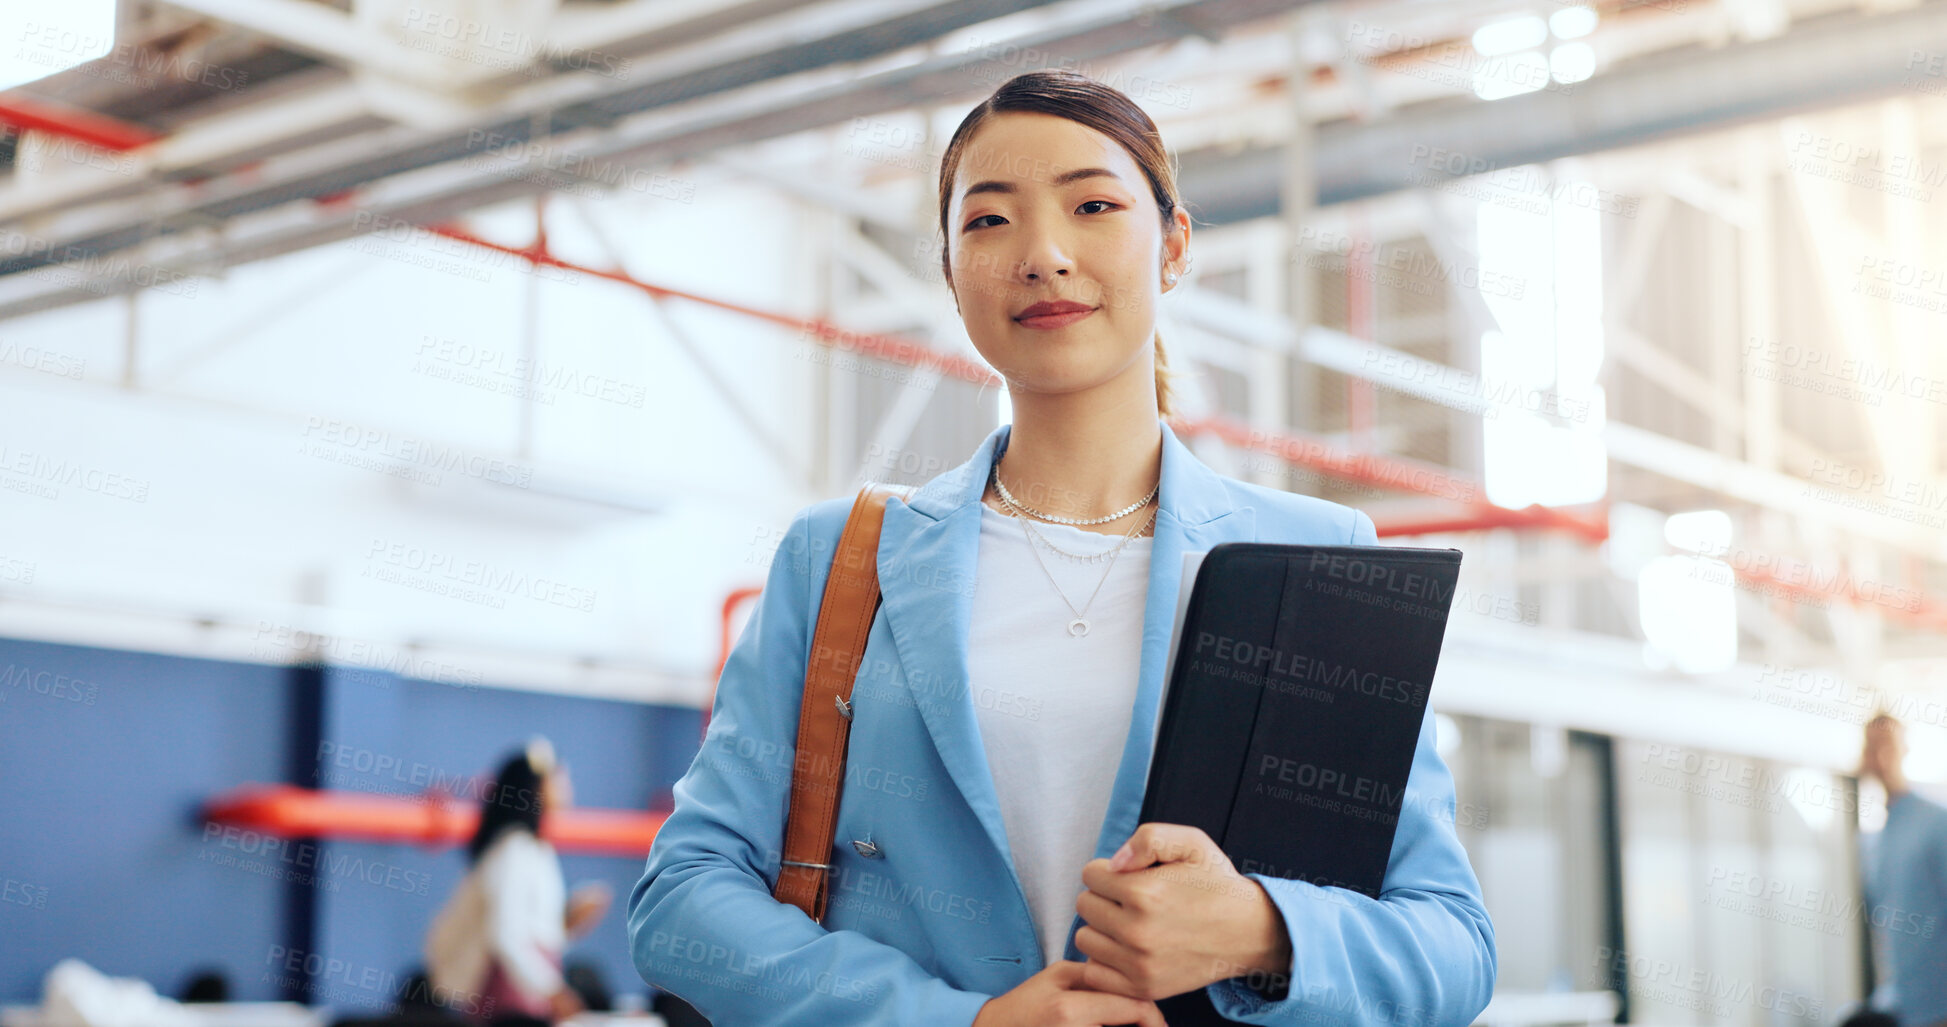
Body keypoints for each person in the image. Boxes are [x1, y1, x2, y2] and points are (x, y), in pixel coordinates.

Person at [627, 69, 1496, 1027]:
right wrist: (967, 1022)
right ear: (952, 275)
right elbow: (683, 902)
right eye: (988, 221)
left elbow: (1450, 945)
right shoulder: (840, 559)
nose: (1042, 254)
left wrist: (1261, 928)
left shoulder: (1318, 555)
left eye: (1091, 205)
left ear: (1172, 245)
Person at [426, 738, 612, 1025]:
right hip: (508, 1000)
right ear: (534, 789)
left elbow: (534, 933)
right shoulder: (514, 851)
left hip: (525, 993)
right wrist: (554, 992)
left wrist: (567, 923)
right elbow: (506, 935)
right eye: (557, 778)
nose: (566, 786)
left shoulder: (536, 851)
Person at [1860, 713, 1947, 1027]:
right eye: (1872, 748)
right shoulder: (1876, 838)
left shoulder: (1936, 823)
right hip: (1899, 1006)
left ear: (1904, 751)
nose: (1880, 758)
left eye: (1888, 747)